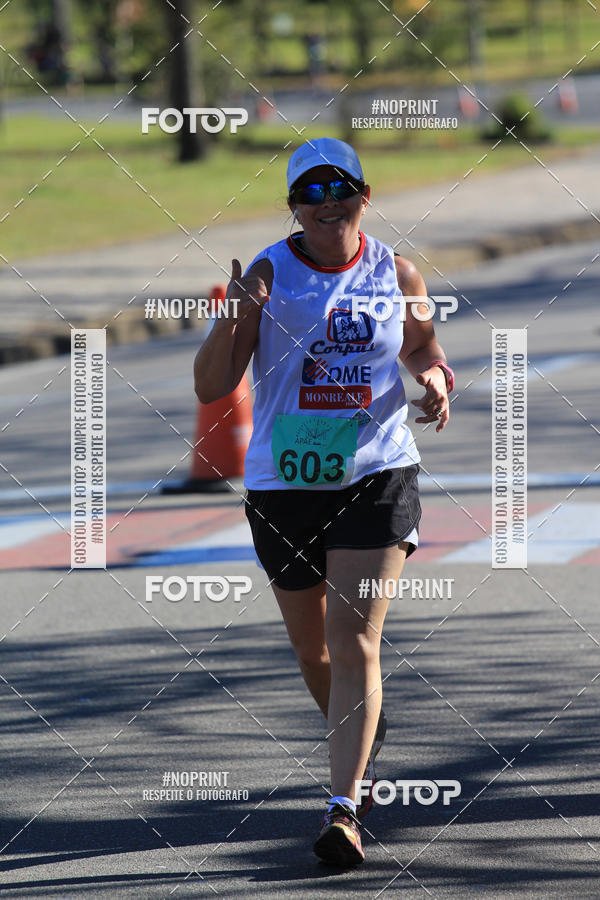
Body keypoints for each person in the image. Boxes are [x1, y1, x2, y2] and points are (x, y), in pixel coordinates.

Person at [194, 137, 454, 867]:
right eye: (311, 191)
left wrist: (435, 378)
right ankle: (362, 727)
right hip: (284, 484)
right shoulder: (270, 275)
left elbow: (424, 347)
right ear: (293, 207)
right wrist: (235, 317)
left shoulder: (396, 271)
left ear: (364, 196)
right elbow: (212, 387)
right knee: (312, 648)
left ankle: (344, 807)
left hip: (376, 474)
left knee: (353, 642)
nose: (328, 201)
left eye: (342, 187)